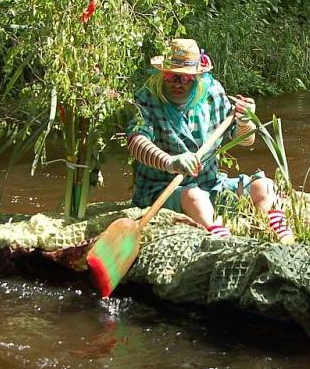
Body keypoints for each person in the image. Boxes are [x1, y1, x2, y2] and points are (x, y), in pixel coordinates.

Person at [126, 38, 294, 243]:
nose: (177, 84)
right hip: (163, 188)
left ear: (198, 77)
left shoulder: (213, 92)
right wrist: (170, 162)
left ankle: (269, 229)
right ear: (162, 74)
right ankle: (221, 238)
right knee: (194, 197)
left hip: (210, 183)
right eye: (171, 77)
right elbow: (136, 141)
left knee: (264, 186)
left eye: (186, 78)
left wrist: (244, 122)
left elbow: (245, 141)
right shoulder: (146, 98)